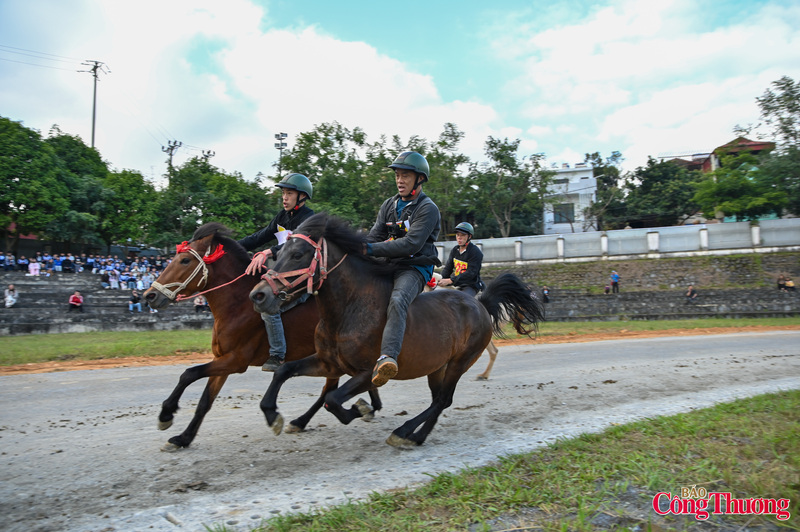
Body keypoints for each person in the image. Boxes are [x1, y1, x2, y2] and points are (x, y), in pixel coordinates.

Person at [365, 151, 441, 387]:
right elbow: (374, 236)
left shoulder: (428, 209)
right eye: (398, 175)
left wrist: (369, 250)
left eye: (406, 176)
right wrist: (359, 249)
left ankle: (388, 357)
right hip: (390, 264)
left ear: (419, 179)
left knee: (397, 300)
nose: (399, 180)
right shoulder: (389, 205)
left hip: (415, 267)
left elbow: (411, 244)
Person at [239, 173, 315, 372]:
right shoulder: (282, 217)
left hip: (301, 280)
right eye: (283, 193)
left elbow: (294, 246)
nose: (284, 198)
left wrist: (268, 252)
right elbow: (258, 237)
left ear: (302, 196)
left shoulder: (309, 219)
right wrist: (231, 247)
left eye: (289, 193)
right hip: (282, 276)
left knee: (270, 308)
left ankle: (277, 355)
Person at [438, 222, 483, 297]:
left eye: (463, 235)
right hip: (457, 282)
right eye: (458, 235)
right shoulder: (455, 250)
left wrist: (451, 280)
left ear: (469, 236)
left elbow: (470, 273)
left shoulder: (475, 252)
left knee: (462, 301)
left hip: (470, 285)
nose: (459, 237)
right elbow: (448, 268)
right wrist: (440, 279)